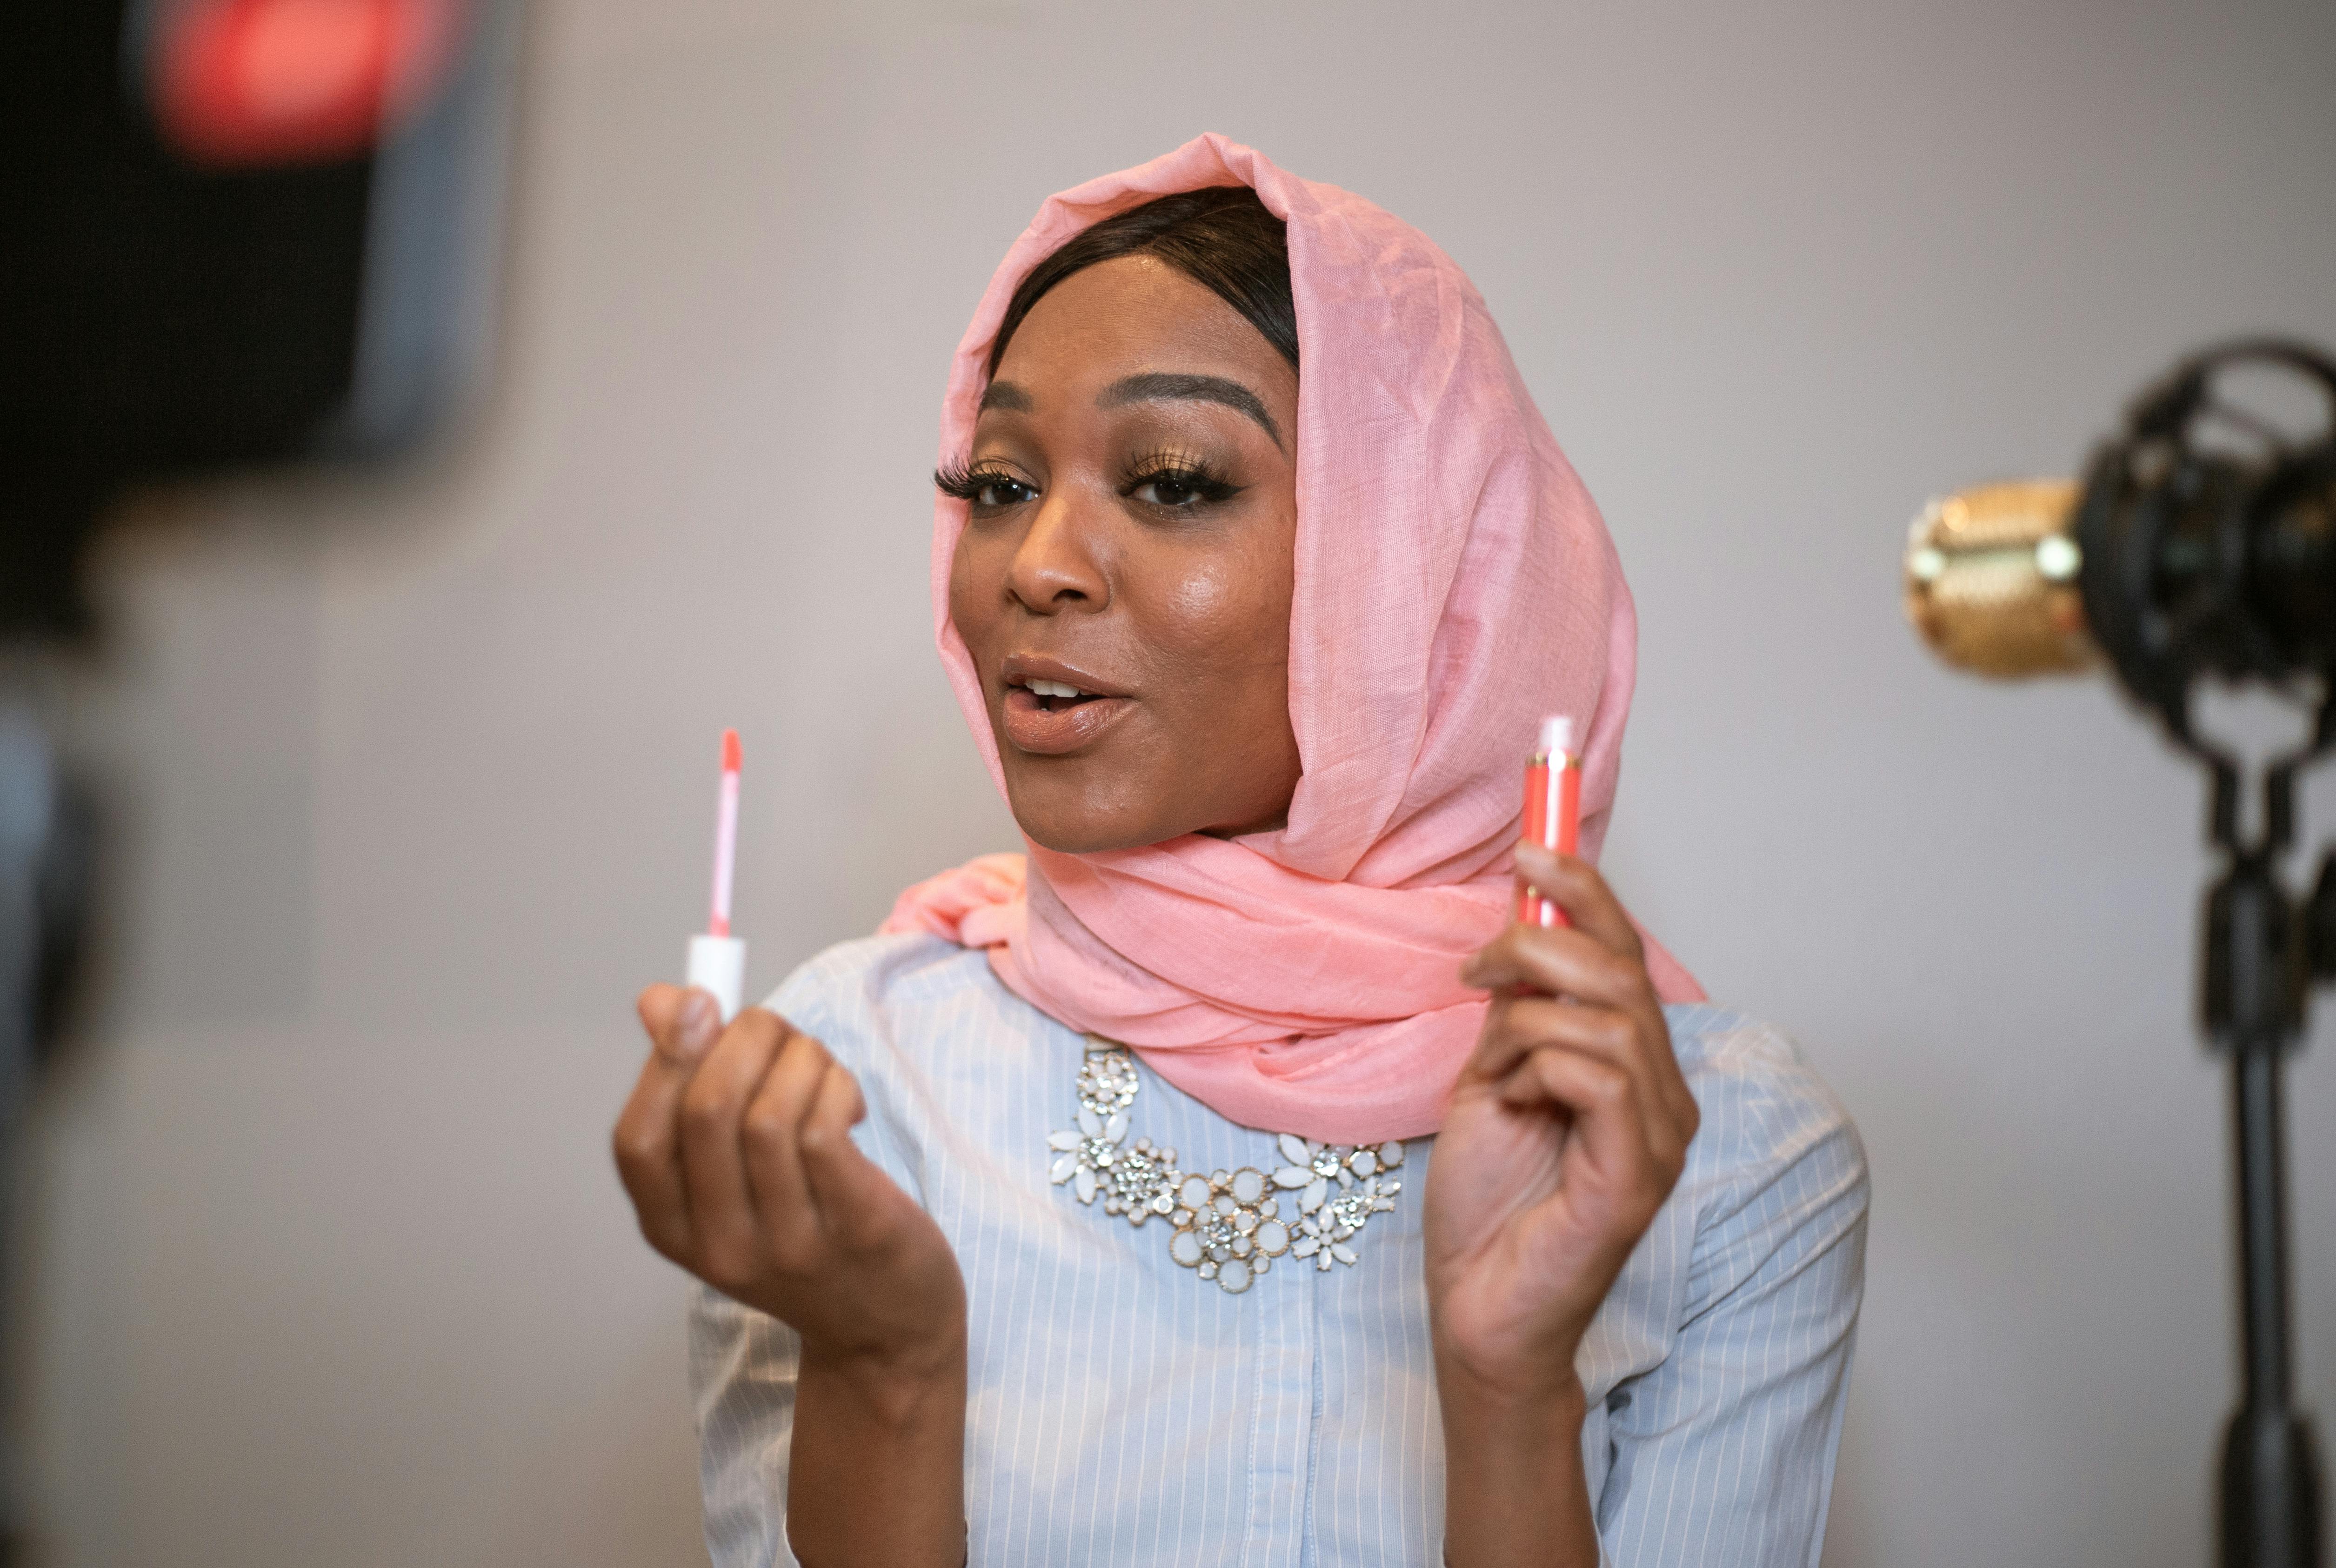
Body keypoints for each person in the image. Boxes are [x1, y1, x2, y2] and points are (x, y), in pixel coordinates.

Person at [612, 133, 1867, 1568]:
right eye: (1000, 480)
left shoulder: (1725, 1157)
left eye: (1170, 479)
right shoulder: (840, 1095)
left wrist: (1514, 1394)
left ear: (1418, 573)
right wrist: (885, 1369)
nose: (1033, 564)